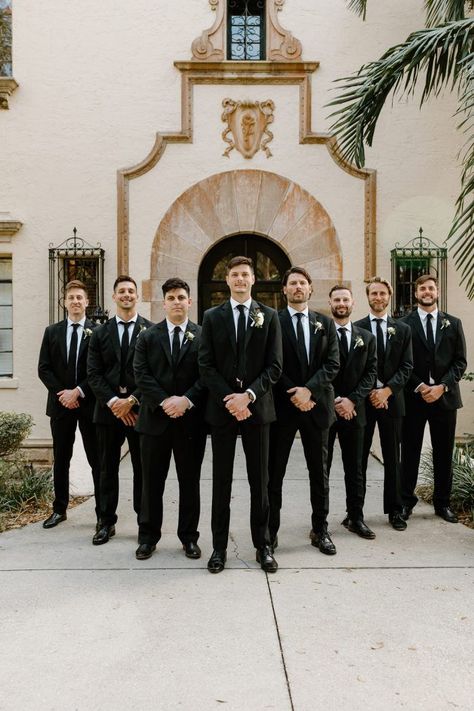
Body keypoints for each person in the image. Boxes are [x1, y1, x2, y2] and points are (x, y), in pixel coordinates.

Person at [199, 256, 283, 574]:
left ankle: (263, 546)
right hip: (222, 412)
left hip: (257, 410)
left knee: (259, 482)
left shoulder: (269, 316)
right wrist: (228, 398)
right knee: (221, 482)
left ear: (253, 280)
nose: (240, 279)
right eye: (234, 274)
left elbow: (274, 366)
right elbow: (205, 364)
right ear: (227, 280)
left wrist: (247, 396)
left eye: (245, 275)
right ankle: (219, 548)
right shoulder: (212, 316)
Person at [133, 278, 207, 560]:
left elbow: (207, 374)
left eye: (181, 297)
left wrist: (186, 400)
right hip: (155, 421)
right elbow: (141, 374)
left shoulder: (202, 336)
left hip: (190, 423)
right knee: (152, 483)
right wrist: (165, 401)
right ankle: (148, 537)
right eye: (172, 298)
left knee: (190, 482)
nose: (177, 302)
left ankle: (189, 537)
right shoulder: (148, 337)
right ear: (164, 303)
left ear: (190, 302)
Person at [268, 267, 339, 555]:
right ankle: (269, 533)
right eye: (292, 283)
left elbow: (333, 364)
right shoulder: (274, 321)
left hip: (317, 407)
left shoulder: (326, 323)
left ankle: (320, 530)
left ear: (310, 289)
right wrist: (295, 392)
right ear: (284, 290)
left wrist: (309, 390)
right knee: (275, 473)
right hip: (283, 409)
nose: (298, 287)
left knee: (319, 473)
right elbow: (271, 363)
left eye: (302, 283)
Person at [87, 275, 153, 545]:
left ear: (137, 296)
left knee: (143, 469)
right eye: (122, 291)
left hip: (139, 412)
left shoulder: (150, 331)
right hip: (108, 412)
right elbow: (94, 373)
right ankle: (105, 521)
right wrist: (115, 402)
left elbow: (152, 373)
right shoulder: (100, 333)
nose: (127, 295)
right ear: (113, 297)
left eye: (131, 291)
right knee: (106, 468)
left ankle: (144, 521)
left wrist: (132, 401)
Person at [400, 275, 467, 523]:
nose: (427, 292)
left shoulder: (453, 323)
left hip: (445, 399)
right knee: (409, 452)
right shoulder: (404, 324)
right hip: (414, 399)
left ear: (437, 292)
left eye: (431, 288)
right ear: (416, 293)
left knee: (443, 452)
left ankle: (442, 503)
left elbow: (460, 362)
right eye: (422, 288)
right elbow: (401, 363)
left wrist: (442, 387)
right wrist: (419, 385)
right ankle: (406, 502)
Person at [38, 279, 100, 528]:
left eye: (79, 298)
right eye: (71, 297)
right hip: (60, 405)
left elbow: (99, 370)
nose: (75, 301)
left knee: (97, 458)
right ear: (64, 302)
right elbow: (44, 368)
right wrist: (63, 393)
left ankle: (102, 513)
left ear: (87, 302)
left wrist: (78, 392)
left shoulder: (97, 332)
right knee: (61, 457)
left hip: (88, 404)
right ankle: (59, 509)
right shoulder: (52, 332)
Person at [354, 277, 413, 531]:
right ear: (368, 297)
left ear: (389, 296)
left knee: (392, 457)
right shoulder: (357, 327)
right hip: (365, 402)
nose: (378, 297)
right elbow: (353, 369)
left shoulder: (402, 329)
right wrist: (369, 392)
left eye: (382, 293)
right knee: (358, 459)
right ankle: (355, 512)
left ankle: (395, 510)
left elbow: (407, 366)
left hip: (392, 401)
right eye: (374, 293)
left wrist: (387, 391)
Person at [327, 285, 377, 539]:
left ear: (353, 302)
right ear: (330, 303)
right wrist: (336, 400)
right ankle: (320, 521)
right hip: (326, 411)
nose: (341, 303)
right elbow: (319, 369)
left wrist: (352, 401)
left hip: (355, 412)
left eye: (345, 299)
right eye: (337, 299)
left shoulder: (366, 337)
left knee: (355, 467)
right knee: (321, 468)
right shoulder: (321, 334)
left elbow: (370, 374)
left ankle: (355, 517)